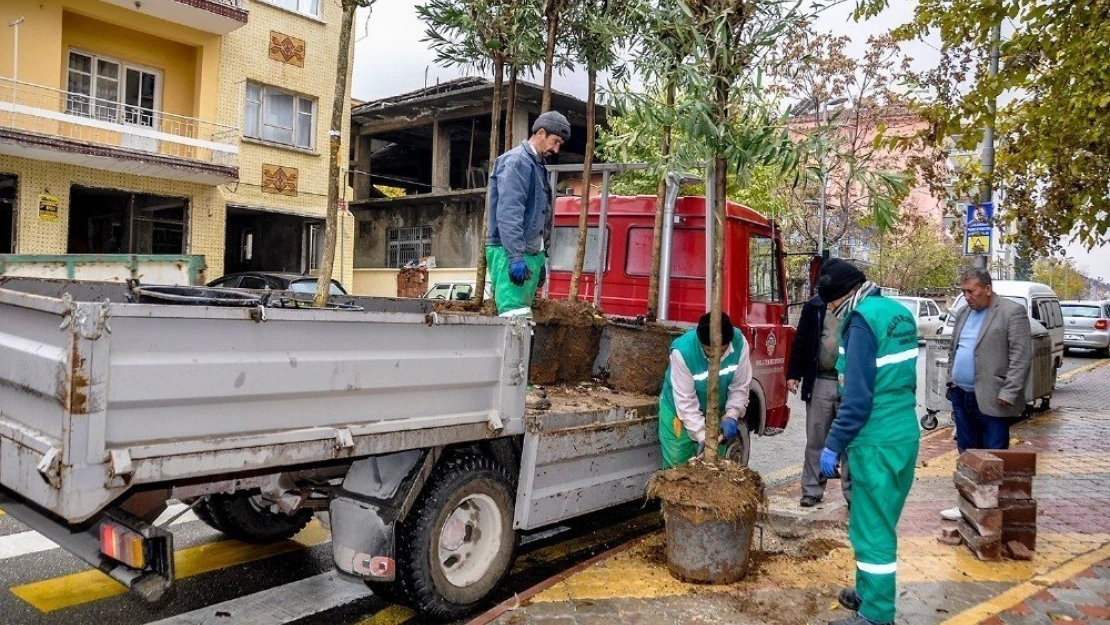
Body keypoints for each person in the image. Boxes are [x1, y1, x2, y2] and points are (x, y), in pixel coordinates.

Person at [818, 269, 919, 625]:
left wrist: (833, 443)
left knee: (872, 529)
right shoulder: (898, 312)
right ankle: (866, 591)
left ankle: (876, 614)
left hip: (876, 438)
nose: (831, 310)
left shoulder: (859, 321)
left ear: (839, 297)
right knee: (876, 520)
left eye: (830, 302)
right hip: (903, 430)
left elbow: (857, 397)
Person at [940, 267, 1031, 521]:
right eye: (963, 292)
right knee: (967, 454)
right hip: (962, 395)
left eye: (971, 291)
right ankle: (967, 506)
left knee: (993, 456)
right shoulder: (962, 313)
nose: (967, 296)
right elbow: (954, 349)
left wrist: (1010, 391)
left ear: (987, 289)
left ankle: (991, 511)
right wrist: (952, 379)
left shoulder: (1011, 312)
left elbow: (1021, 356)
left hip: (994, 397)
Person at [485, 110, 570, 319]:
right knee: (515, 318)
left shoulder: (535, 164)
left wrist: (540, 256)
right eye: (555, 141)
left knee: (520, 320)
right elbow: (509, 212)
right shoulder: (517, 162)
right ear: (540, 133)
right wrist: (515, 256)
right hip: (510, 252)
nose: (556, 149)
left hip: (526, 252)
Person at [786, 258, 856, 508]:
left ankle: (852, 494)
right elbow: (801, 341)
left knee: (850, 441)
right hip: (821, 381)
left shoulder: (858, 307)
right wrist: (793, 374)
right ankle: (812, 490)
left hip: (849, 383)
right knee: (816, 439)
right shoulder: (814, 307)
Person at [658, 312, 753, 469]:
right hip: (679, 412)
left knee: (716, 469)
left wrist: (732, 414)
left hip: (714, 411)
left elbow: (740, 386)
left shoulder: (739, 343)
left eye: (722, 351)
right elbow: (686, 403)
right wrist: (703, 437)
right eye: (709, 351)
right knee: (678, 467)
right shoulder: (682, 352)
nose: (716, 356)